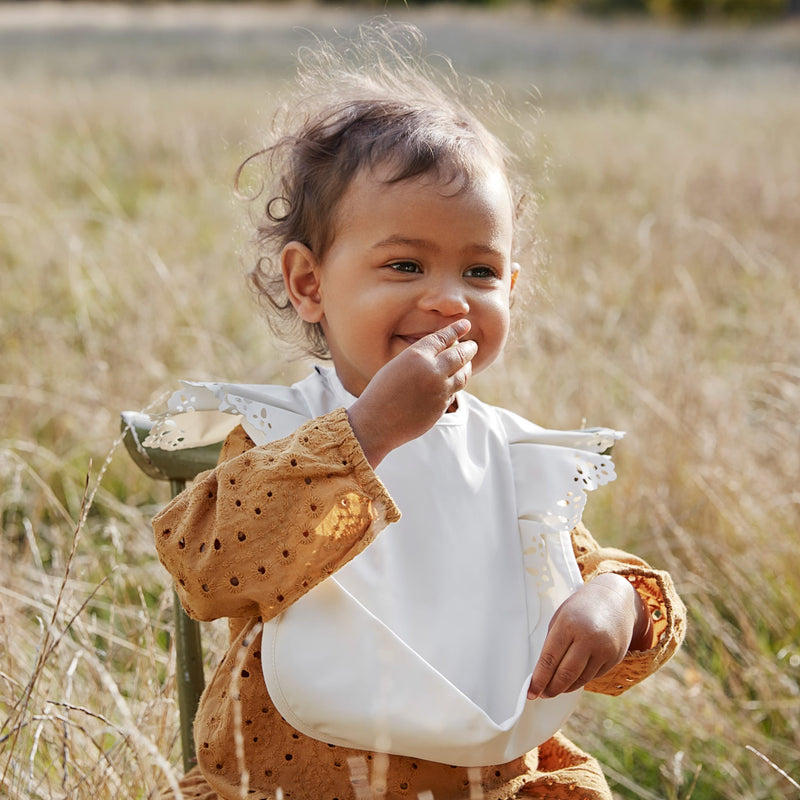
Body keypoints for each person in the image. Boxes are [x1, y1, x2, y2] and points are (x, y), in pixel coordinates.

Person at [150, 21, 685, 800]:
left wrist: (615, 603)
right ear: (309, 284)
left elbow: (572, 565)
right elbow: (206, 564)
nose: (447, 299)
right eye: (403, 264)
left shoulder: (511, 452)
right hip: (290, 784)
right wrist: (369, 436)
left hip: (492, 779)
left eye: (480, 270)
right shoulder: (283, 433)